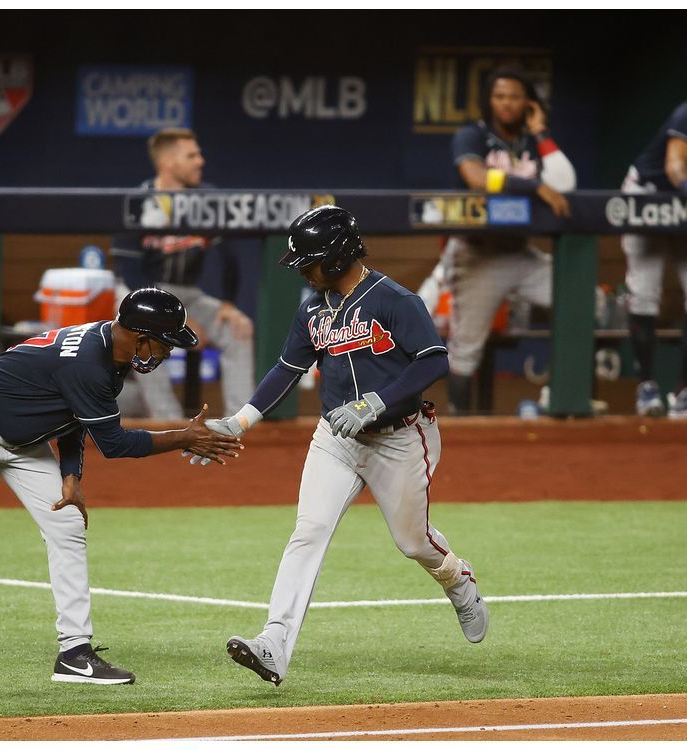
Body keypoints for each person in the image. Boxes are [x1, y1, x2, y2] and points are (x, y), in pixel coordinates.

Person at [0, 288, 242, 684]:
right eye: (165, 344)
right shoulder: (90, 361)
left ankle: (75, 653)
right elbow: (115, 444)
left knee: (67, 525)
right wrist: (184, 437)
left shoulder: (110, 351)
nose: (167, 353)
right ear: (141, 337)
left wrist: (72, 476)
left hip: (24, 438)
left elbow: (73, 416)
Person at [192, 206, 488, 686]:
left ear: (334, 257)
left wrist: (378, 401)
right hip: (336, 439)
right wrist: (240, 422)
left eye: (307, 261)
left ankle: (458, 579)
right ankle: (274, 643)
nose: (303, 271)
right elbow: (288, 367)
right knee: (307, 532)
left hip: (399, 439)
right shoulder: (313, 307)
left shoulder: (394, 299)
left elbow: (434, 361)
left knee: (413, 542)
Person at [443, 67, 576, 414]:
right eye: (499, 96)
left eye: (515, 97)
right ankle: (459, 424)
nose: (506, 103)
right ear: (489, 101)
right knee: (466, 350)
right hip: (478, 254)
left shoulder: (533, 142)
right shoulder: (472, 135)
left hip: (521, 255)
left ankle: (566, 401)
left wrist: (541, 131)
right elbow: (475, 177)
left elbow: (565, 184)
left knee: (578, 300)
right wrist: (532, 186)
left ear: (528, 102)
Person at [110, 128, 254, 419]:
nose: (200, 161)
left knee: (239, 329)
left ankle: (240, 421)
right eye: (191, 155)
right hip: (140, 293)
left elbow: (228, 257)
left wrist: (228, 304)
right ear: (168, 162)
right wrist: (176, 320)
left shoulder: (206, 200)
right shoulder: (137, 202)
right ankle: (168, 424)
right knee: (140, 327)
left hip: (188, 293)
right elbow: (131, 271)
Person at [619, 100, 687, 418]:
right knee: (644, 294)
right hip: (647, 195)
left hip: (682, 205)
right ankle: (646, 386)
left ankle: (684, 391)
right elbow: (675, 167)